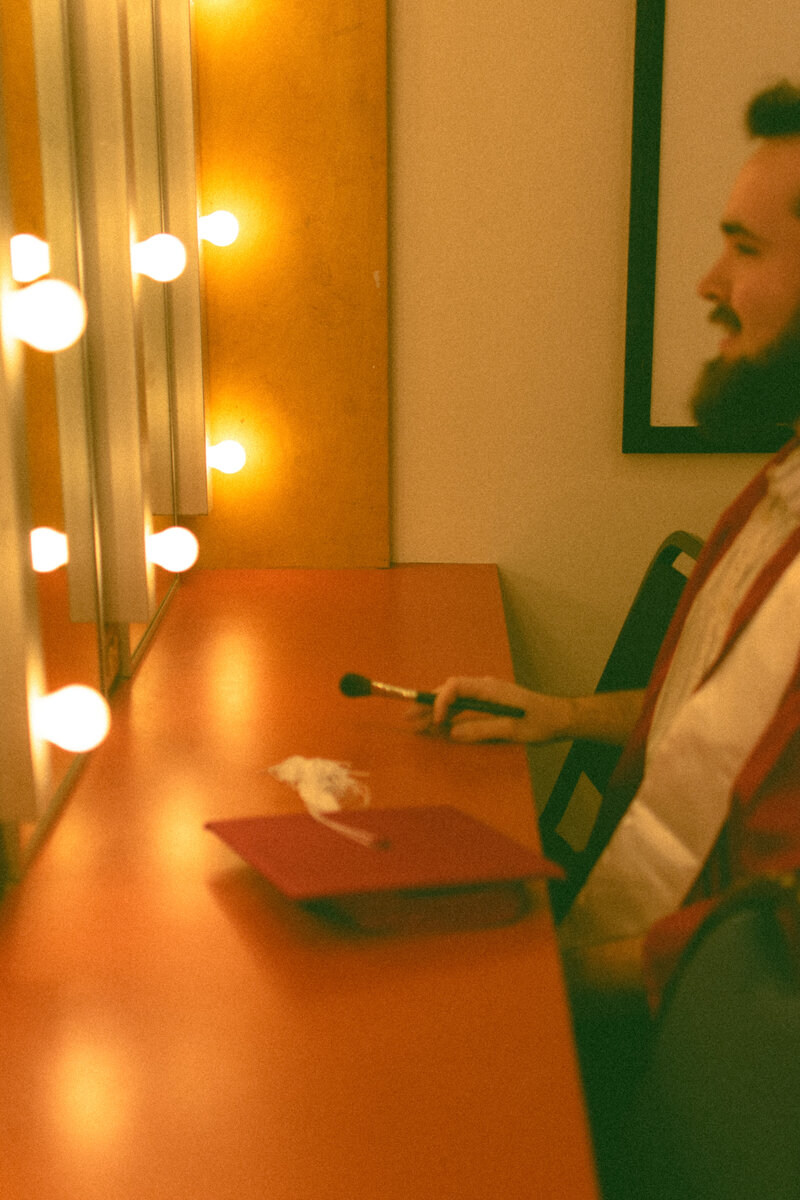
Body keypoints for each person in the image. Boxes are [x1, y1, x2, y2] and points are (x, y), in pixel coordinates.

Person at [411, 80, 800, 1014]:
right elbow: (727, 724)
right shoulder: (780, 489)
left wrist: (551, 982)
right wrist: (558, 713)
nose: (709, 283)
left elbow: (775, 944)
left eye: (744, 250)